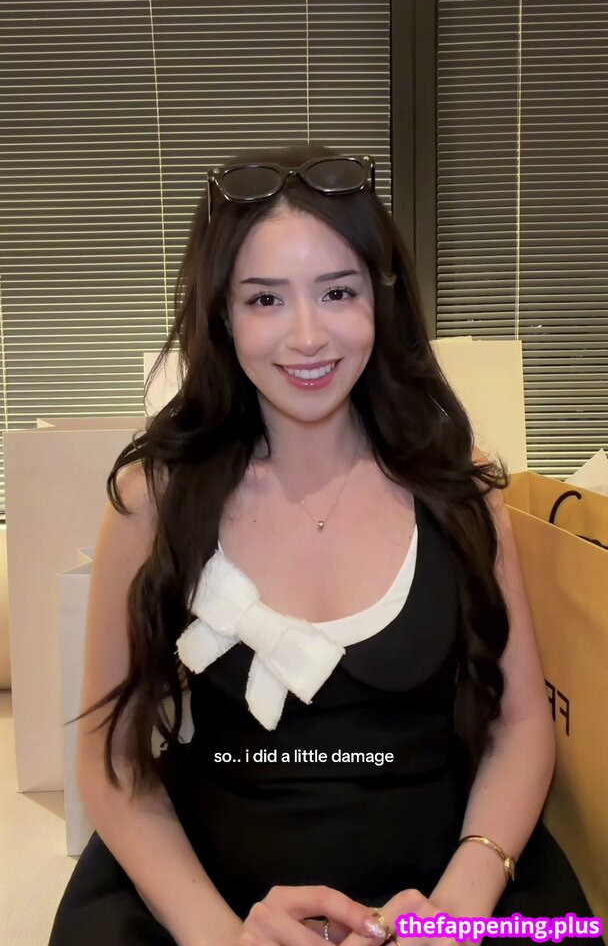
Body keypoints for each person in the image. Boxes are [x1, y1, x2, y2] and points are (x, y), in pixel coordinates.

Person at [48, 143, 598, 946]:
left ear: (381, 299)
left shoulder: (461, 490)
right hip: (206, 894)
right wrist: (221, 935)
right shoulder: (153, 502)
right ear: (221, 315)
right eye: (265, 299)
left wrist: (455, 909)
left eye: (337, 291)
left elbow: (519, 727)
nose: (307, 336)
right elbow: (112, 760)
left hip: (442, 886)